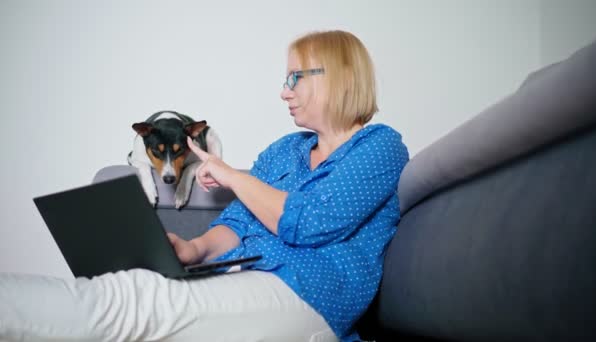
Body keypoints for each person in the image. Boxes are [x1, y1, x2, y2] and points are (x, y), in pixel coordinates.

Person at [0, 30, 408, 342]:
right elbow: (238, 222)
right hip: (247, 277)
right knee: (129, 291)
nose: (283, 91)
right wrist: (193, 249)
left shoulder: (380, 146)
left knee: (127, 302)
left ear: (338, 76)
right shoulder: (286, 150)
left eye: (295, 77)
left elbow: (311, 223)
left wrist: (232, 175)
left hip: (311, 294)